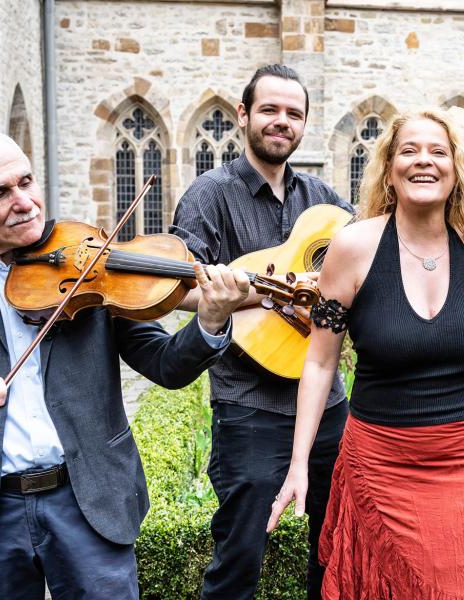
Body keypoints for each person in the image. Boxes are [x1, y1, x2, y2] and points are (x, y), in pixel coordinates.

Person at [0, 129, 250, 600]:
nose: (24, 203)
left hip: (87, 501)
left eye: (26, 182)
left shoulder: (92, 264)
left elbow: (167, 366)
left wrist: (211, 319)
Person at [267, 107, 464, 599]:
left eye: (438, 151)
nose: (424, 161)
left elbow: (453, 347)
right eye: (409, 151)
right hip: (382, 460)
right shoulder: (353, 247)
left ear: (457, 169)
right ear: (389, 170)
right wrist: (298, 462)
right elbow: (321, 361)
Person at [170, 64, 355, 600]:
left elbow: (367, 265)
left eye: (293, 113)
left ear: (304, 124)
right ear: (243, 115)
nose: (281, 121)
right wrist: (261, 292)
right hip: (249, 402)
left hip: (327, 403)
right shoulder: (209, 195)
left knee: (335, 546)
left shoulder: (323, 200)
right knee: (240, 555)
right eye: (269, 110)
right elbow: (179, 288)